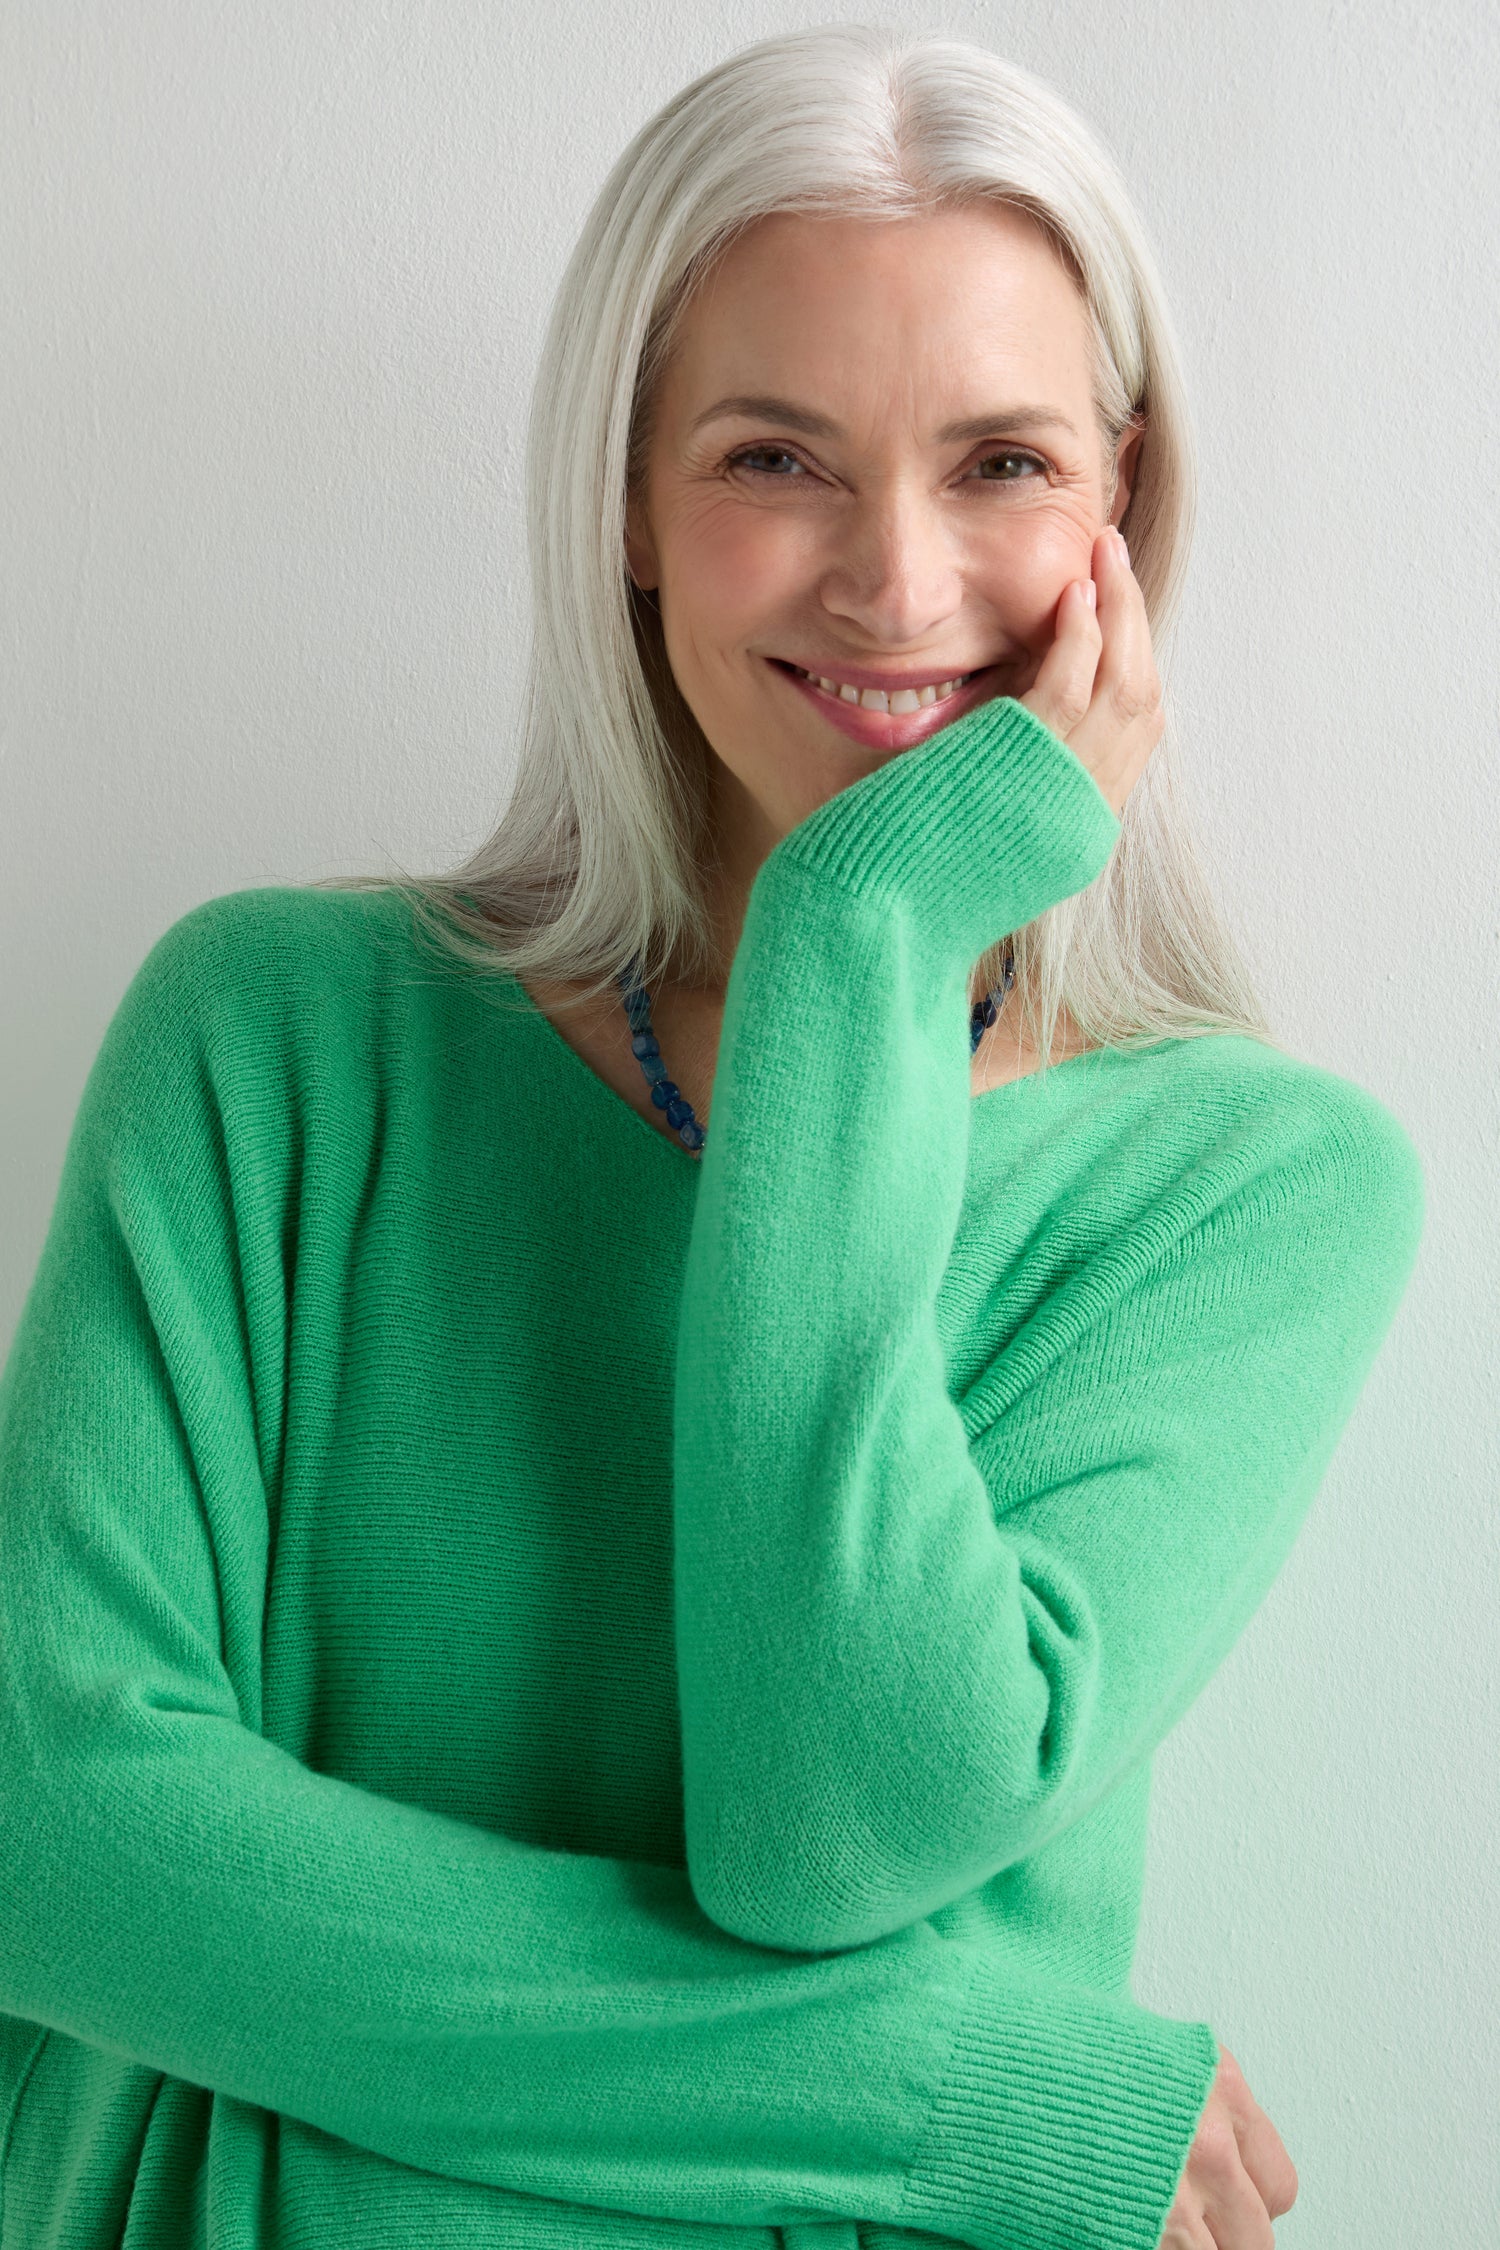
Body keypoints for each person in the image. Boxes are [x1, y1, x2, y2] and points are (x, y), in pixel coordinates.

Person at [0, 26, 1423, 2250]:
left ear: (1121, 515)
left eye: (1005, 463)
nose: (895, 578)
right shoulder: (281, 1042)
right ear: (629, 510)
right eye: (776, 456)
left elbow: (834, 1826)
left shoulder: (1251, 1194)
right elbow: (53, 1832)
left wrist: (859, 934)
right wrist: (946, 2087)